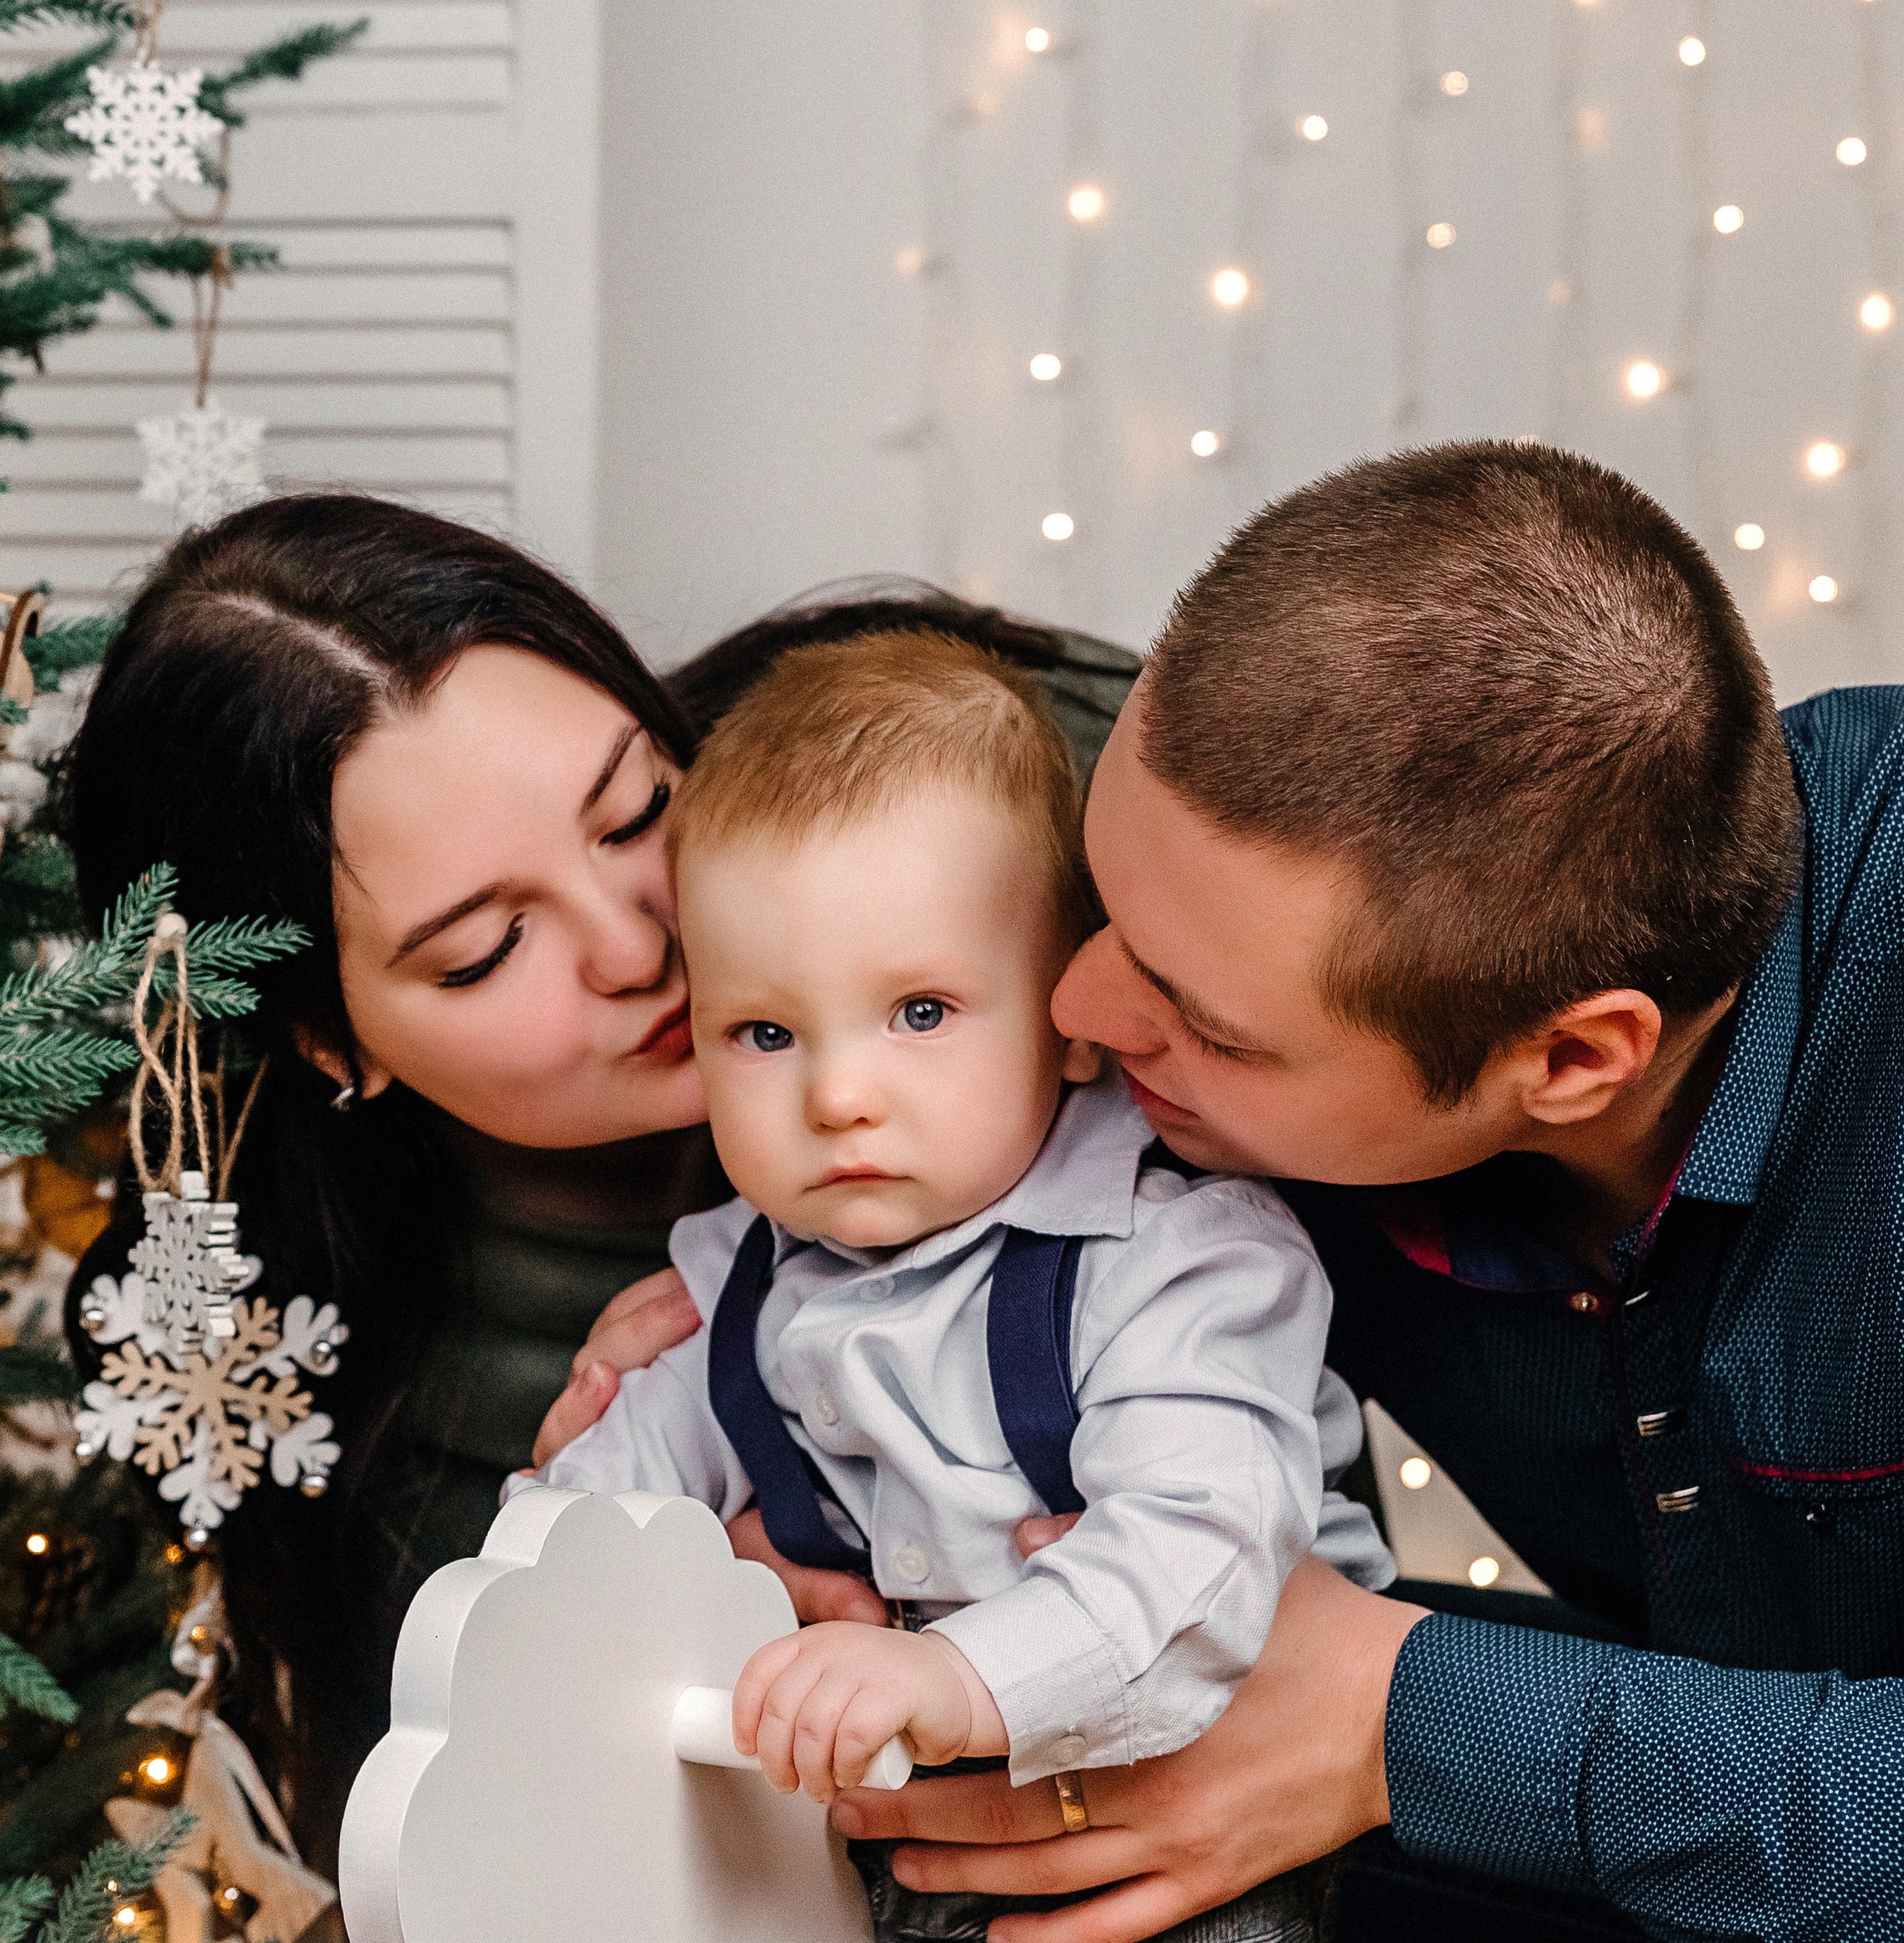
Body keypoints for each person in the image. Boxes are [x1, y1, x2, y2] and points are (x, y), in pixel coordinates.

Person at [823, 442, 1904, 1941]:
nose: (1077, 1010)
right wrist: (745, 1318)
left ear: (1566, 1056)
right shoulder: (1252, 894)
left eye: (1204, 1024)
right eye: (1103, 908)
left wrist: (1396, 1720)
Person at [61, 499, 1140, 1875]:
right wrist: (683, 1612)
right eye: (487, 949)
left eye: (636, 811)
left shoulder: (948, 787)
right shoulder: (349, 1402)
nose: (646, 938)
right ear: (329, 1040)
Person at [521, 630, 1392, 1942]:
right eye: (765, 1033)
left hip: (1216, 1810)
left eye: (920, 1011)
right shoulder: (733, 1288)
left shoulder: (1181, 1257)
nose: (838, 1095)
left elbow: (1197, 1558)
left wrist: (949, 1672)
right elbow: (613, 1497)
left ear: (1069, 1013)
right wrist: (544, 1577)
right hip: (904, 1823)